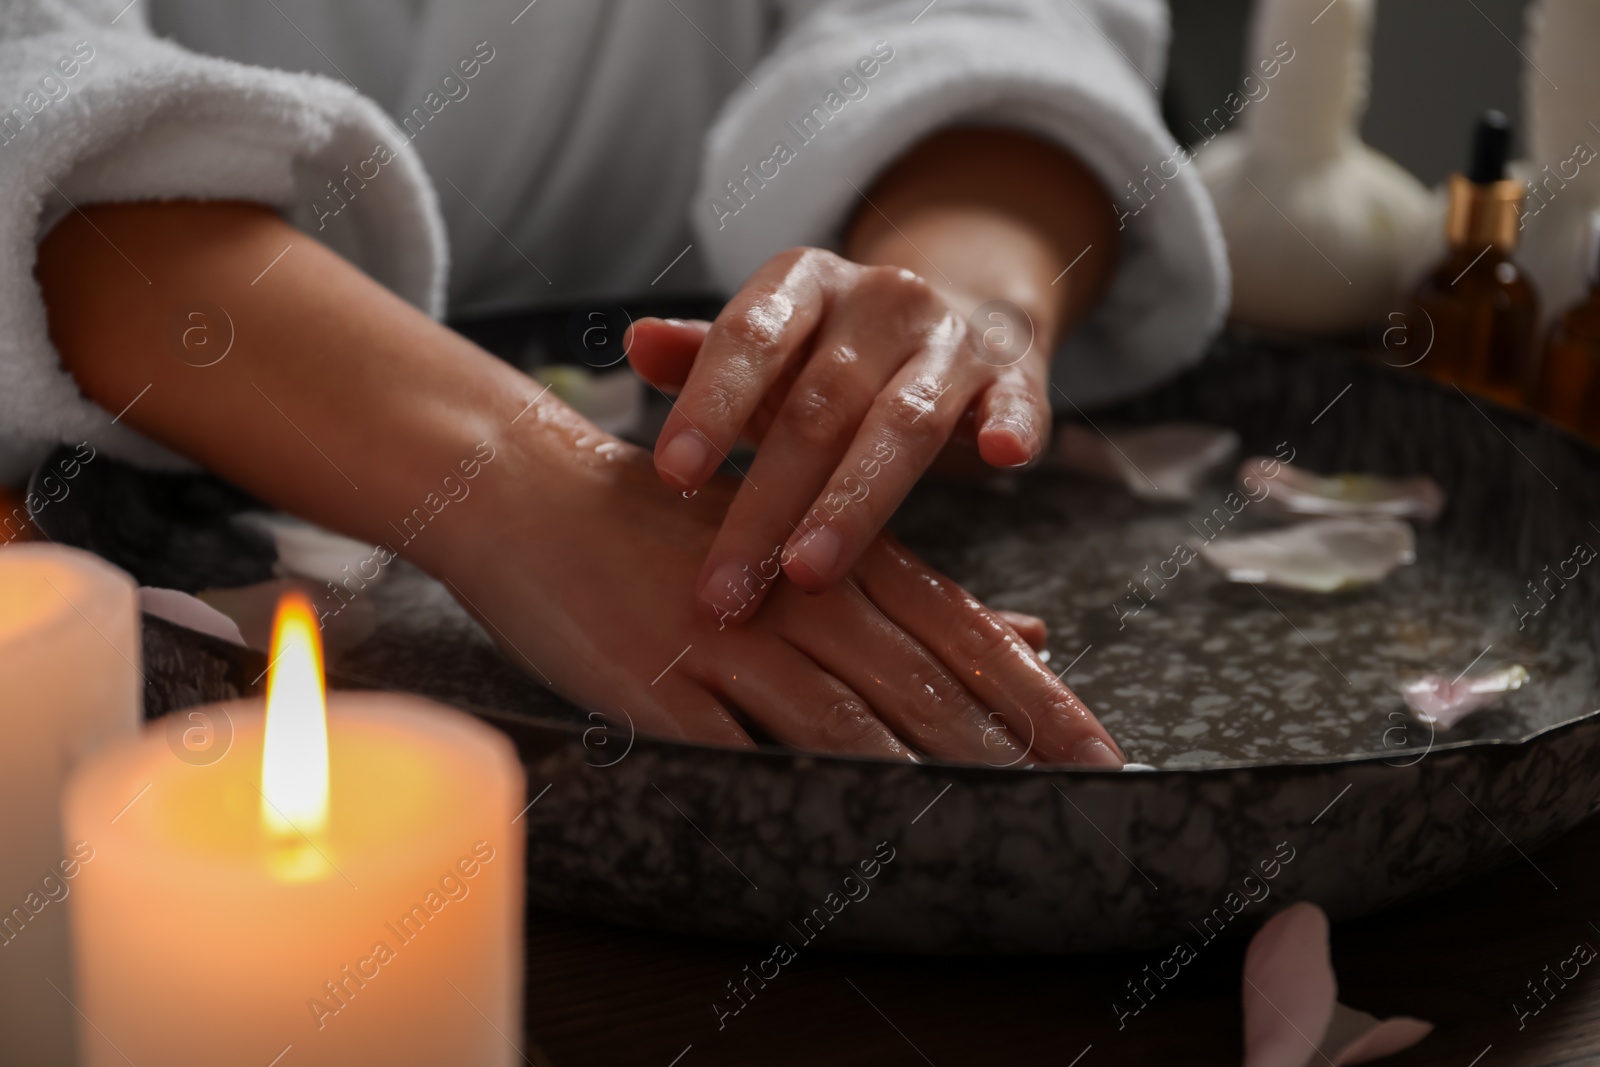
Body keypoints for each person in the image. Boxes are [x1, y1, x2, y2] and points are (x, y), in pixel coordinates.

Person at [10, 0, 1226, 765]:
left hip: (694, 424)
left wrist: (952, 304)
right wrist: (513, 475)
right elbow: (39, 101)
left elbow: (993, 27)